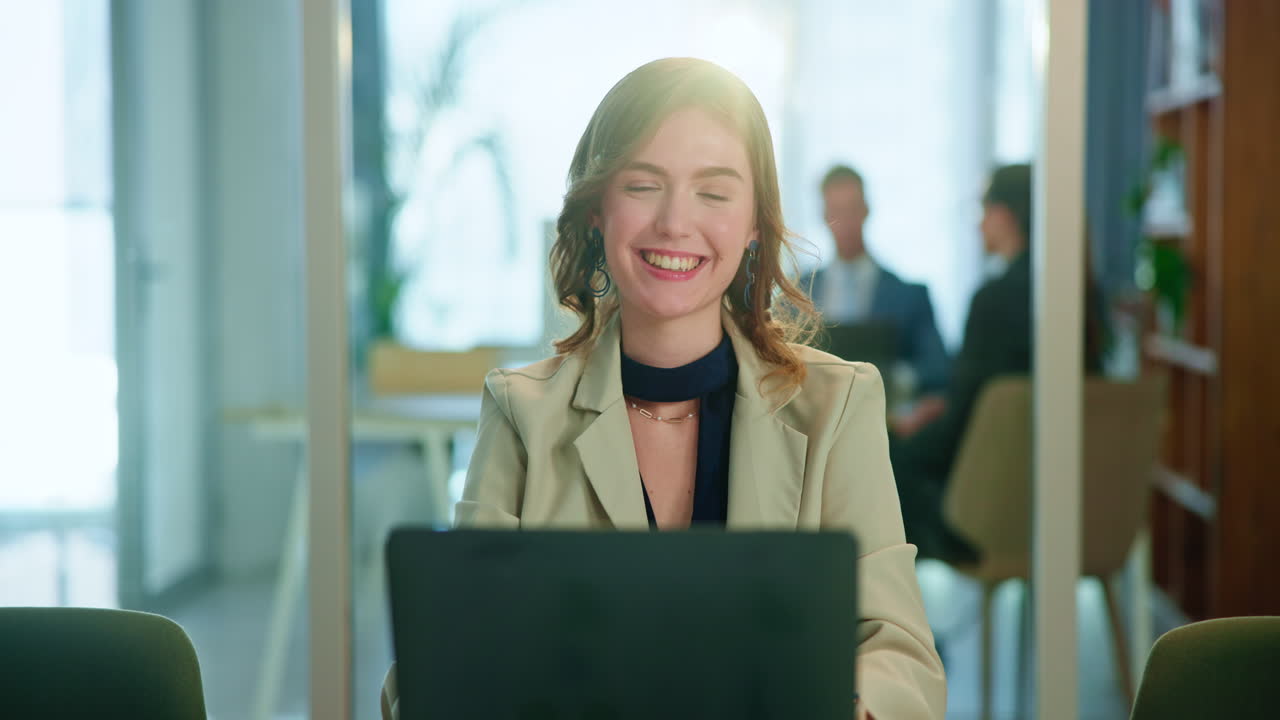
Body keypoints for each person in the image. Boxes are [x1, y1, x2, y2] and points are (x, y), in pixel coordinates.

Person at [380, 58, 945, 720]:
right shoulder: (520, 414)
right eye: (644, 185)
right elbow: (437, 672)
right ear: (596, 211)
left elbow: (902, 659)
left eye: (714, 191)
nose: (676, 223)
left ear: (756, 221)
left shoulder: (838, 404)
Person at [890, 163, 1107, 557]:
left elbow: (964, 424)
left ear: (1005, 216)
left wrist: (906, 430)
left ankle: (882, 609)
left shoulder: (994, 299)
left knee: (883, 453)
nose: (978, 227)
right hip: (1065, 493)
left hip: (989, 502)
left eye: (982, 213)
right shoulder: (1085, 294)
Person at [808, 165, 951, 394]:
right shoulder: (797, 293)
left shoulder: (908, 296)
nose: (844, 222)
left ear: (866, 210)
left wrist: (895, 381)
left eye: (851, 210)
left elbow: (938, 367)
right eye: (836, 212)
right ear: (824, 216)